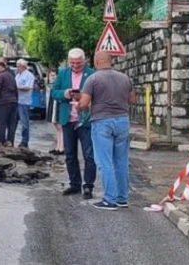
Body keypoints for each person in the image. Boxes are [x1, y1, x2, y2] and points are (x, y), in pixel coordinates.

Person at [79, 50, 135, 210]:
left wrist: (79, 104)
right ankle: (122, 198)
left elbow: (84, 104)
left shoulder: (93, 79)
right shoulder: (125, 78)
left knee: (105, 162)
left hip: (102, 122)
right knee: (121, 161)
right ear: (110, 61)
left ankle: (109, 200)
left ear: (96, 62)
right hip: (123, 121)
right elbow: (132, 100)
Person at [51, 48, 96, 199]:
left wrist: (83, 96)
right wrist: (65, 94)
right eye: (73, 63)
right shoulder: (63, 73)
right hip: (67, 119)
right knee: (70, 154)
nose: (75, 66)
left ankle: (88, 186)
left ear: (84, 61)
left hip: (85, 120)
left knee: (89, 155)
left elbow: (98, 94)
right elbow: (54, 92)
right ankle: (74, 184)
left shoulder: (92, 73)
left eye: (78, 63)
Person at [0, 60, 18, 146]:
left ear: (1, 67)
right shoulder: (11, 76)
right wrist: (16, 100)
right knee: (11, 124)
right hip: (13, 103)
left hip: (3, 103)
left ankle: (1, 142)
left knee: (2, 123)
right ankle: (10, 142)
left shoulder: (0, 77)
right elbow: (16, 90)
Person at [15, 59, 35, 148]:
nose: (17, 68)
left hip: (24, 101)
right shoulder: (17, 75)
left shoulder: (29, 75)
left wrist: (16, 88)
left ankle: (24, 141)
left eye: (18, 66)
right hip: (16, 100)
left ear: (23, 66)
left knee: (24, 123)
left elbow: (28, 87)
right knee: (14, 121)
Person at [46, 68, 64, 155]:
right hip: (53, 104)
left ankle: (61, 148)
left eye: (53, 75)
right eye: (51, 75)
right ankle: (58, 146)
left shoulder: (59, 85)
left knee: (60, 127)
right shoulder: (52, 85)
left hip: (57, 104)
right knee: (56, 126)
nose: (52, 77)